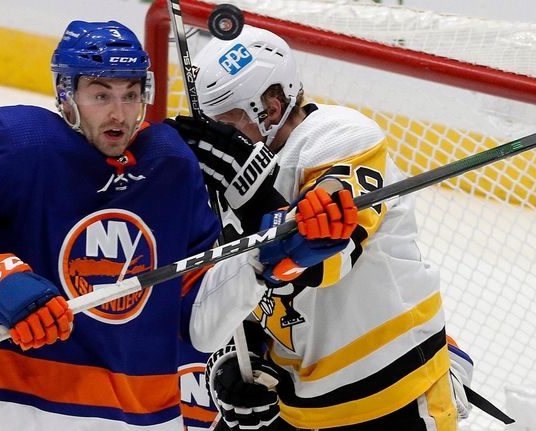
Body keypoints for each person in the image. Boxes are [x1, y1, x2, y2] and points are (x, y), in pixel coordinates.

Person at [0, 20, 296, 431]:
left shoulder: (171, 165)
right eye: (101, 94)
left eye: (131, 95)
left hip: (143, 416)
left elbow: (198, 322)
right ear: (66, 95)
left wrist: (261, 263)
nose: (119, 113)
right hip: (15, 411)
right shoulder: (17, 143)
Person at [170, 25, 476, 430]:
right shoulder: (229, 175)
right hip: (299, 404)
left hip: (395, 393)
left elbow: (326, 255)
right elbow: (245, 278)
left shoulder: (341, 137)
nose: (219, 138)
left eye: (228, 122)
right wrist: (238, 353)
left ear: (271, 106)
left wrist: (251, 190)